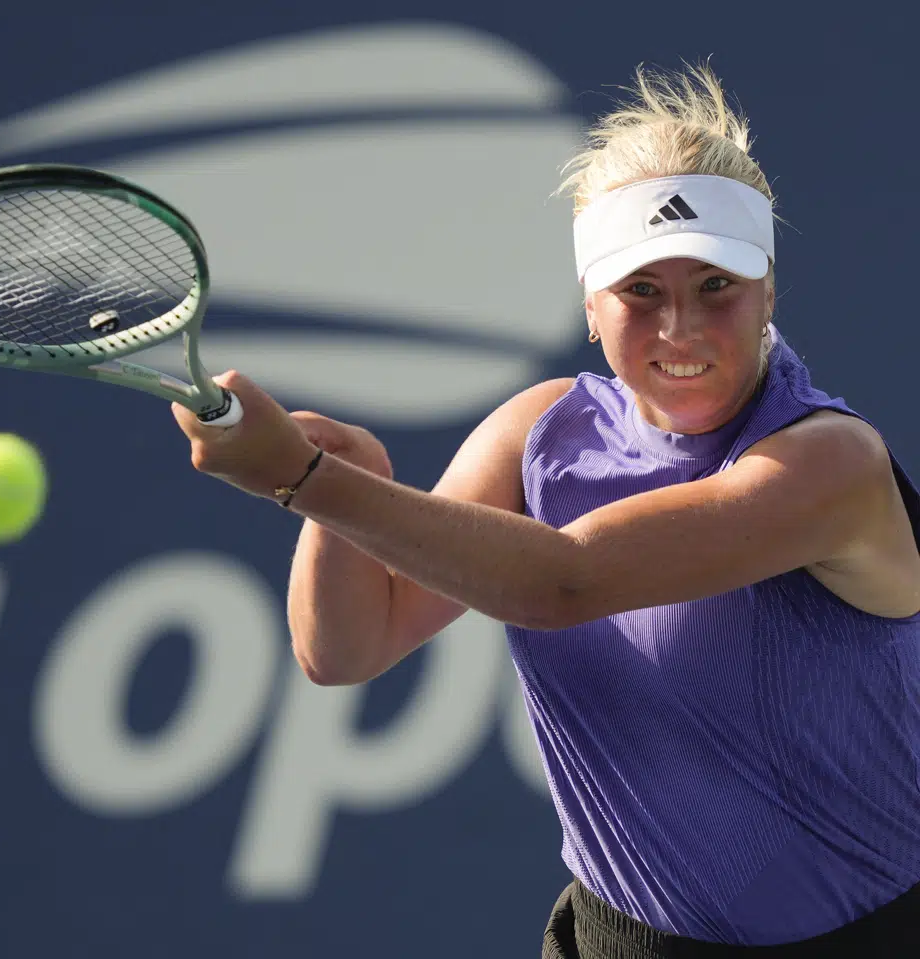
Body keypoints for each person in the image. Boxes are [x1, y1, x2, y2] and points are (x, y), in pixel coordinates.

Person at [171, 63, 920, 956]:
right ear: (591, 308)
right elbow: (345, 646)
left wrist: (304, 477)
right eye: (641, 291)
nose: (680, 328)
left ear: (767, 291)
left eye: (716, 285)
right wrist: (341, 491)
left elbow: (569, 581)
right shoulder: (540, 433)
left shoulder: (827, 463)